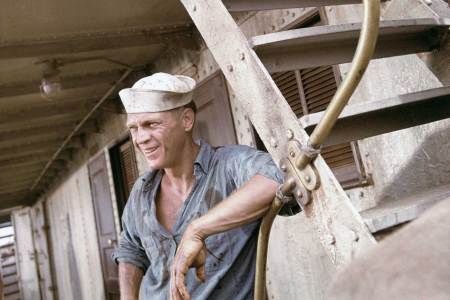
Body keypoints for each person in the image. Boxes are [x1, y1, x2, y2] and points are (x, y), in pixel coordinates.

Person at [112, 73, 283, 300]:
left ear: (186, 120)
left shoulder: (229, 165)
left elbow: (279, 178)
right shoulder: (140, 192)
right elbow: (130, 250)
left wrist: (198, 229)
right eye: (133, 128)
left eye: (151, 124)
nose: (140, 138)